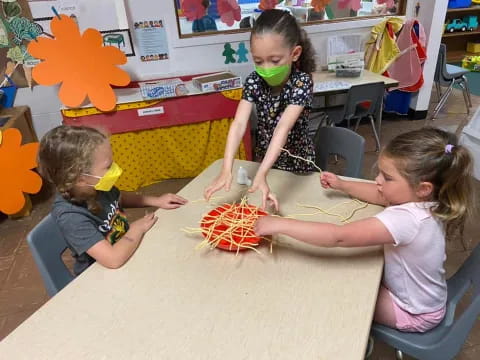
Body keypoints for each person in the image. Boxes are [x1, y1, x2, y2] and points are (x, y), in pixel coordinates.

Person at [255, 127, 474, 333]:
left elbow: (338, 237)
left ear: (423, 188)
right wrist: (343, 185)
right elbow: (379, 194)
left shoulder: (408, 220)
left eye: (387, 177)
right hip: (426, 299)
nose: (377, 180)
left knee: (335, 292)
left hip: (414, 313)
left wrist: (278, 224)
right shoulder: (430, 200)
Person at [204, 9, 316, 210]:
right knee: (261, 211)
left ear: (295, 53)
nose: (266, 68)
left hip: (296, 167)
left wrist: (262, 174)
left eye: (274, 61)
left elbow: (282, 127)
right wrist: (226, 168)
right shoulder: (254, 81)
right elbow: (238, 124)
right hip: (264, 161)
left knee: (294, 210)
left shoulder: (302, 82)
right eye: (258, 61)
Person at [38, 126, 188, 276]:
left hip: (127, 250)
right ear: (81, 179)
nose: (115, 168)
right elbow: (113, 260)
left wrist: (156, 201)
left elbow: (119, 198)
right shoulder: (70, 216)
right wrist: (137, 228)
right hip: (100, 275)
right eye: (108, 166)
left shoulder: (96, 184)